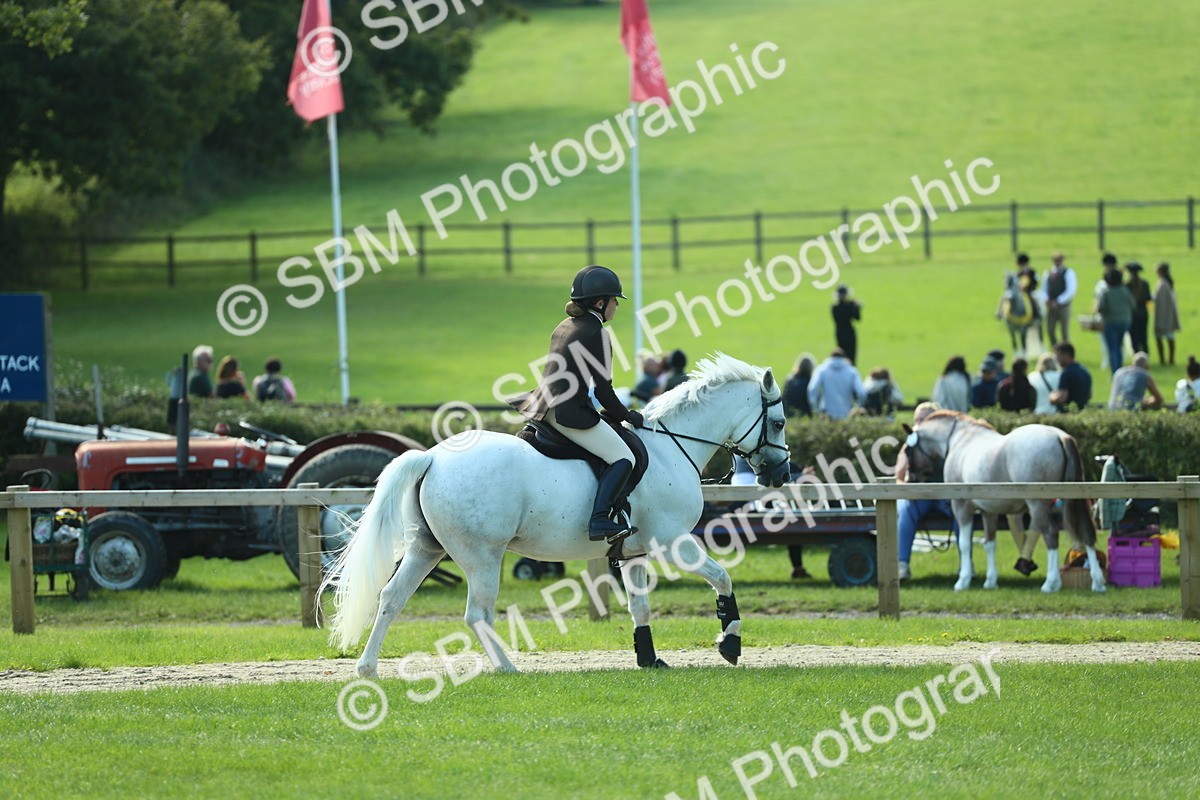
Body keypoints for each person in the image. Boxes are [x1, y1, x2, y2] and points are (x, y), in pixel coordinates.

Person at [516, 265, 643, 542]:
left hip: (543, 408)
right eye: (614, 301)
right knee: (624, 458)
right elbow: (605, 391)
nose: (616, 307)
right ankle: (599, 521)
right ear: (600, 303)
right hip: (569, 413)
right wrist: (628, 415)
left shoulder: (565, 326)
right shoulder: (597, 334)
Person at [896, 402, 958, 581]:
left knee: (962, 514)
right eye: (917, 419)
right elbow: (898, 477)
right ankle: (902, 566)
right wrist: (907, 491)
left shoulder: (949, 444)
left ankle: (967, 567)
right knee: (907, 511)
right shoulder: (910, 445)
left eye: (924, 419)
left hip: (945, 497)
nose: (919, 423)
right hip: (919, 498)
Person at [807, 348, 866, 420]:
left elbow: (812, 389)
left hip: (827, 415)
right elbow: (862, 393)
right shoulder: (852, 371)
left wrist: (815, 409)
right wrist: (858, 407)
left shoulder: (822, 370)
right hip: (846, 414)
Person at [1096, 268, 1134, 374]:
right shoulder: (1125, 291)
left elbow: (1101, 308)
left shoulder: (1107, 292)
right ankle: (1120, 369)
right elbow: (1133, 305)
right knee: (1120, 345)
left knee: (1113, 348)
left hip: (1111, 322)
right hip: (1125, 322)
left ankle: (1116, 372)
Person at [1040, 251, 1077, 347]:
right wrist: (1046, 299)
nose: (1057, 262)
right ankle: (1056, 349)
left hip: (1063, 305)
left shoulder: (1068, 272)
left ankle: (1066, 352)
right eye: (1055, 260)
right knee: (1050, 329)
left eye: (1059, 260)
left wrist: (1059, 300)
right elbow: (1044, 288)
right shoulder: (1047, 273)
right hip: (1050, 305)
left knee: (1064, 331)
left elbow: (1071, 290)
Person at [1050, 342, 1092, 411]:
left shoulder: (1066, 373)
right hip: (1082, 412)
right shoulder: (1085, 371)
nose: (1057, 360)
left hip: (1069, 413)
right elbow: (1089, 394)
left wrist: (1052, 397)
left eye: (1058, 356)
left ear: (1066, 355)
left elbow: (1062, 398)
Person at [1154, 262, 1180, 366]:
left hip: (1163, 314)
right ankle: (1170, 359)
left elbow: (1160, 301)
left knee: (1161, 337)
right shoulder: (1167, 283)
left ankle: (1164, 360)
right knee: (1170, 337)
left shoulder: (1162, 284)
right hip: (1167, 314)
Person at [1125, 262, 1152, 357]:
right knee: (1143, 337)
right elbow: (1149, 298)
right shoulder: (1145, 284)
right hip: (1143, 314)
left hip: (1132, 315)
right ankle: (1145, 357)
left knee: (1134, 338)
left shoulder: (1127, 285)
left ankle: (1137, 357)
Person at [831, 285, 861, 365]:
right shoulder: (849, 306)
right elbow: (857, 318)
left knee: (841, 356)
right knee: (851, 356)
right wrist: (857, 307)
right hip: (849, 333)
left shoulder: (834, 307)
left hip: (839, 333)